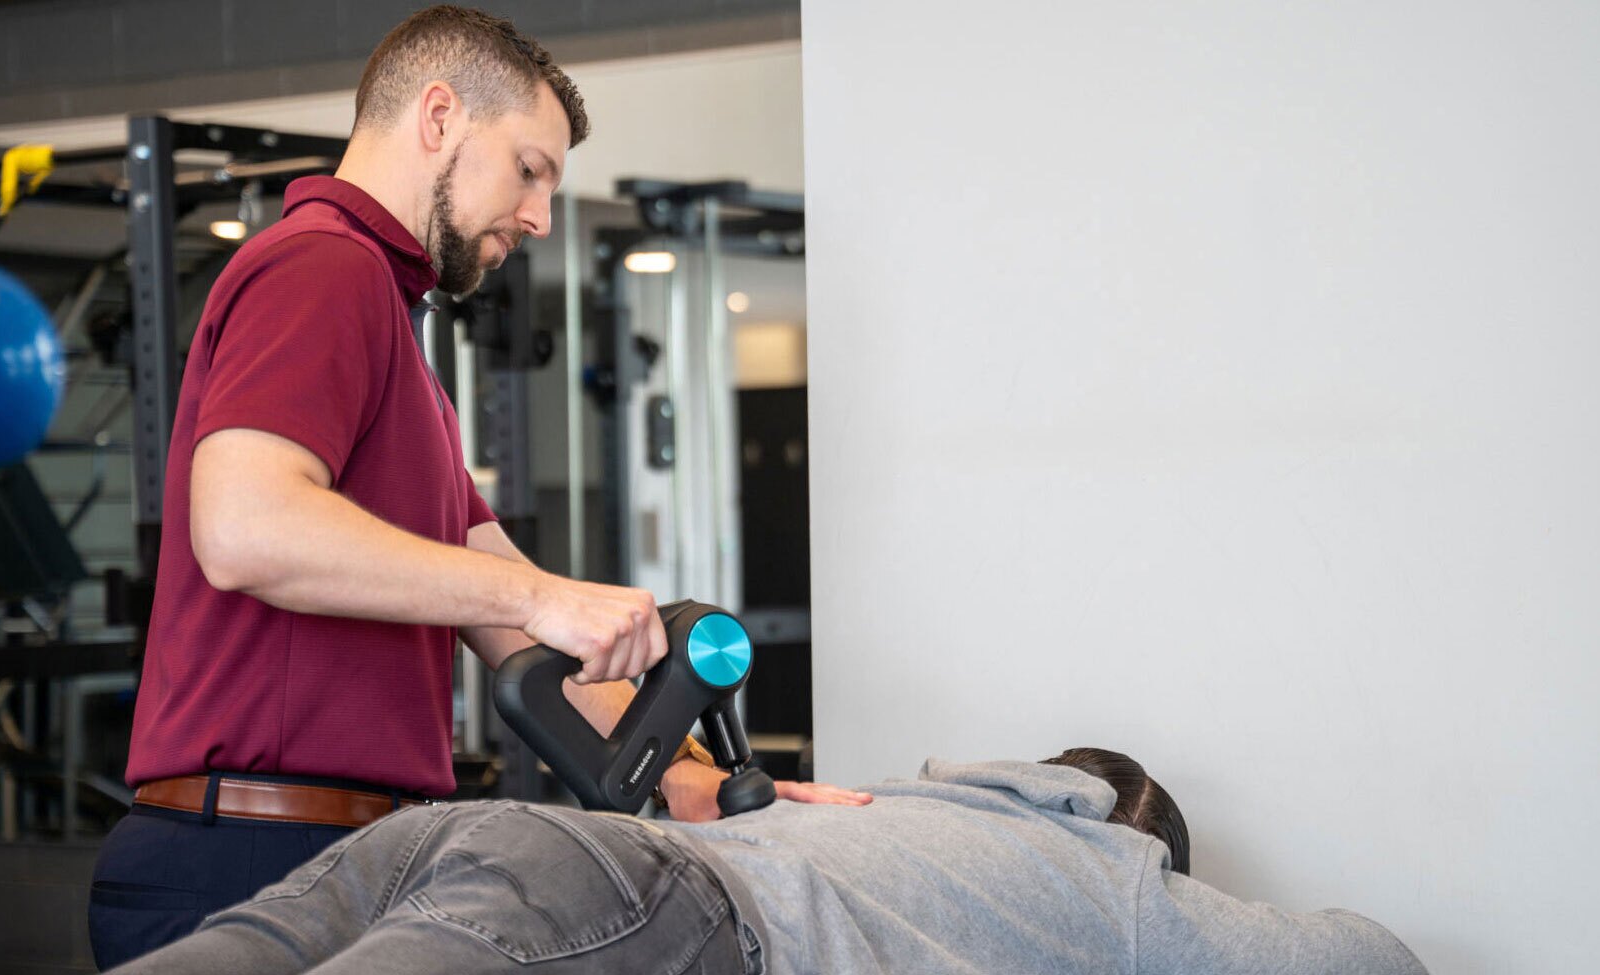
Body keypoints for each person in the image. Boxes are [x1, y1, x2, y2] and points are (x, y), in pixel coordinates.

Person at [87, 7, 867, 969]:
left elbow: (505, 617)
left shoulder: (392, 328)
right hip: (253, 858)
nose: (539, 215)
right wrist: (546, 596)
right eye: (529, 169)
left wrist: (688, 772)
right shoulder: (320, 265)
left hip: (352, 856)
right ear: (439, 115)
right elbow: (246, 525)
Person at [103, 748, 1429, 975]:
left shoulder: (885, 799)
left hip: (466, 827)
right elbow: (1369, 956)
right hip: (636, 904)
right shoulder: (1115, 877)